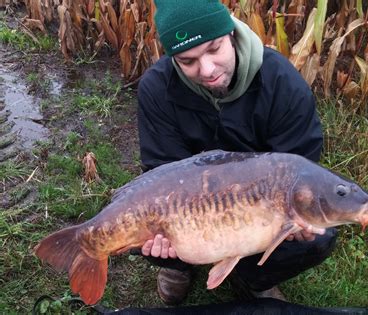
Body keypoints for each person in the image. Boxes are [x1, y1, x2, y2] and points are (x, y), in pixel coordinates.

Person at [136, 0, 337, 306]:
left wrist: (293, 219)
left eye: (214, 49)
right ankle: (179, 267)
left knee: (319, 234)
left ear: (229, 33)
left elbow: (300, 170)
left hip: (261, 210)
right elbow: (160, 170)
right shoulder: (155, 88)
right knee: (139, 224)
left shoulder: (283, 84)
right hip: (189, 212)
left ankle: (254, 279)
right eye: (188, 61)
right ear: (173, 58)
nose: (207, 70)